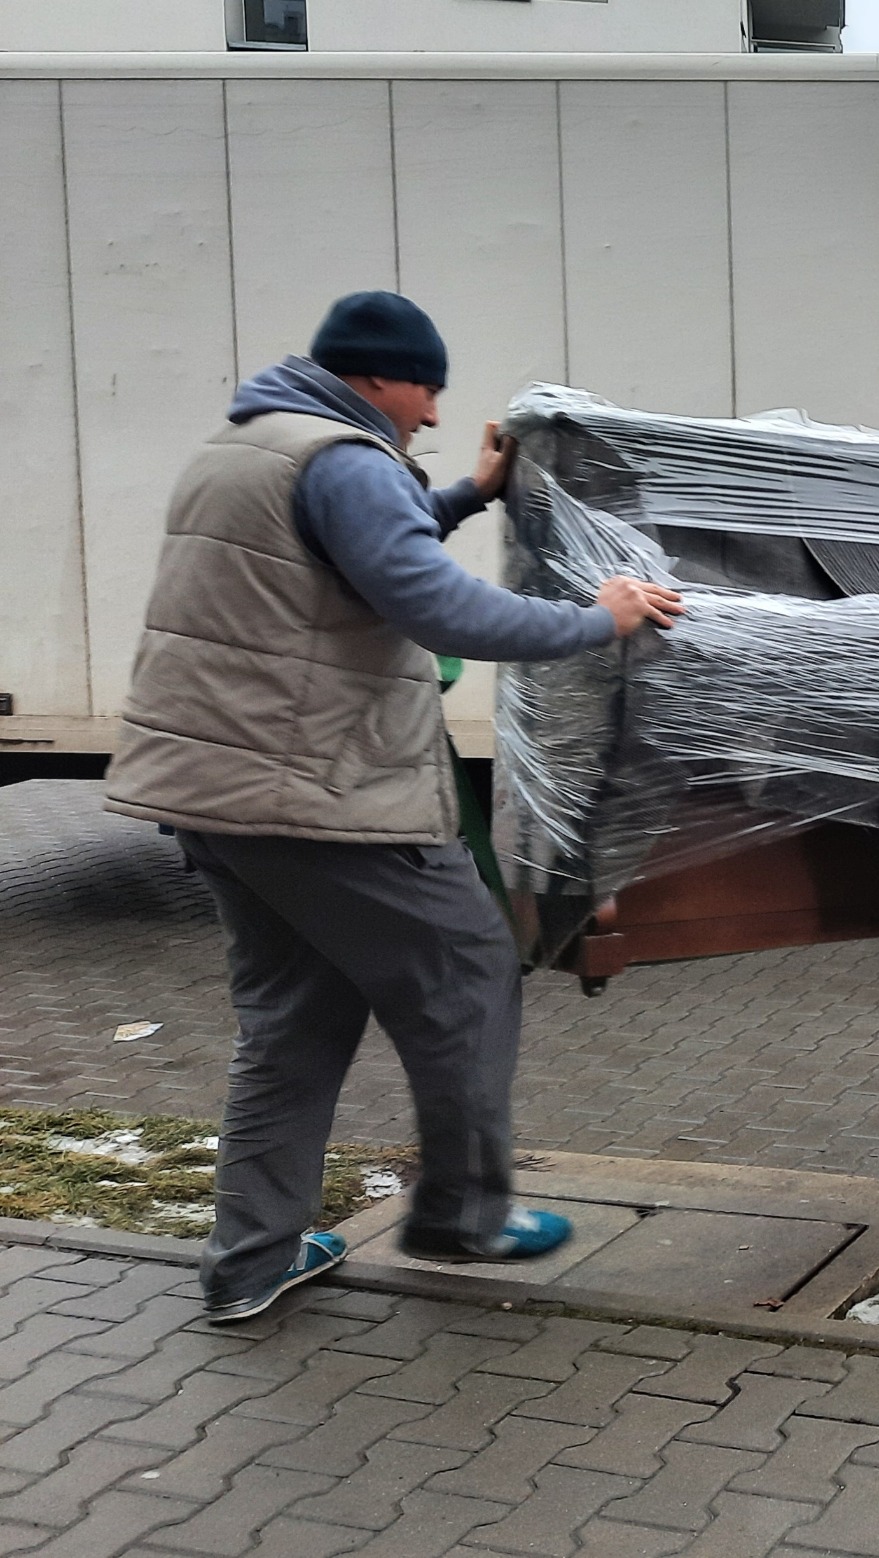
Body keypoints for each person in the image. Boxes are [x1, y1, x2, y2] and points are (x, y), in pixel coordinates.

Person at [103, 292, 682, 1322]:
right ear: (381, 375)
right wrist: (600, 617)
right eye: (427, 389)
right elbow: (435, 603)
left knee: (292, 1024)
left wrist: (467, 491)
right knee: (468, 973)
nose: (429, 411)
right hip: (320, 799)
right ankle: (463, 1217)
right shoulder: (345, 461)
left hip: (216, 796)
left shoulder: (250, 445)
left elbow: (359, 550)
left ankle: (250, 1261)